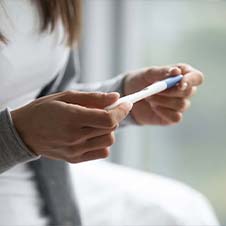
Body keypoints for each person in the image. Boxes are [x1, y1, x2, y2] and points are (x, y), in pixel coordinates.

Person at [0, 1, 218, 226]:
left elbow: (37, 94)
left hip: (43, 178)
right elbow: (25, 123)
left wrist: (123, 95)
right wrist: (17, 135)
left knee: (184, 212)